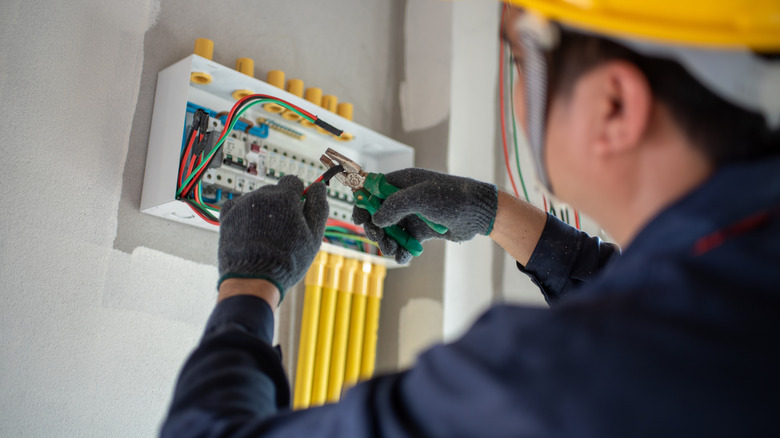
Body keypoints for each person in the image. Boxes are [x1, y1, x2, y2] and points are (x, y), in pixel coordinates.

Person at [161, 0, 780, 436]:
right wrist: (490, 212)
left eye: (519, 63)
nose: (517, 96)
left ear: (612, 104)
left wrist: (250, 285)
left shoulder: (548, 378)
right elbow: (644, 297)